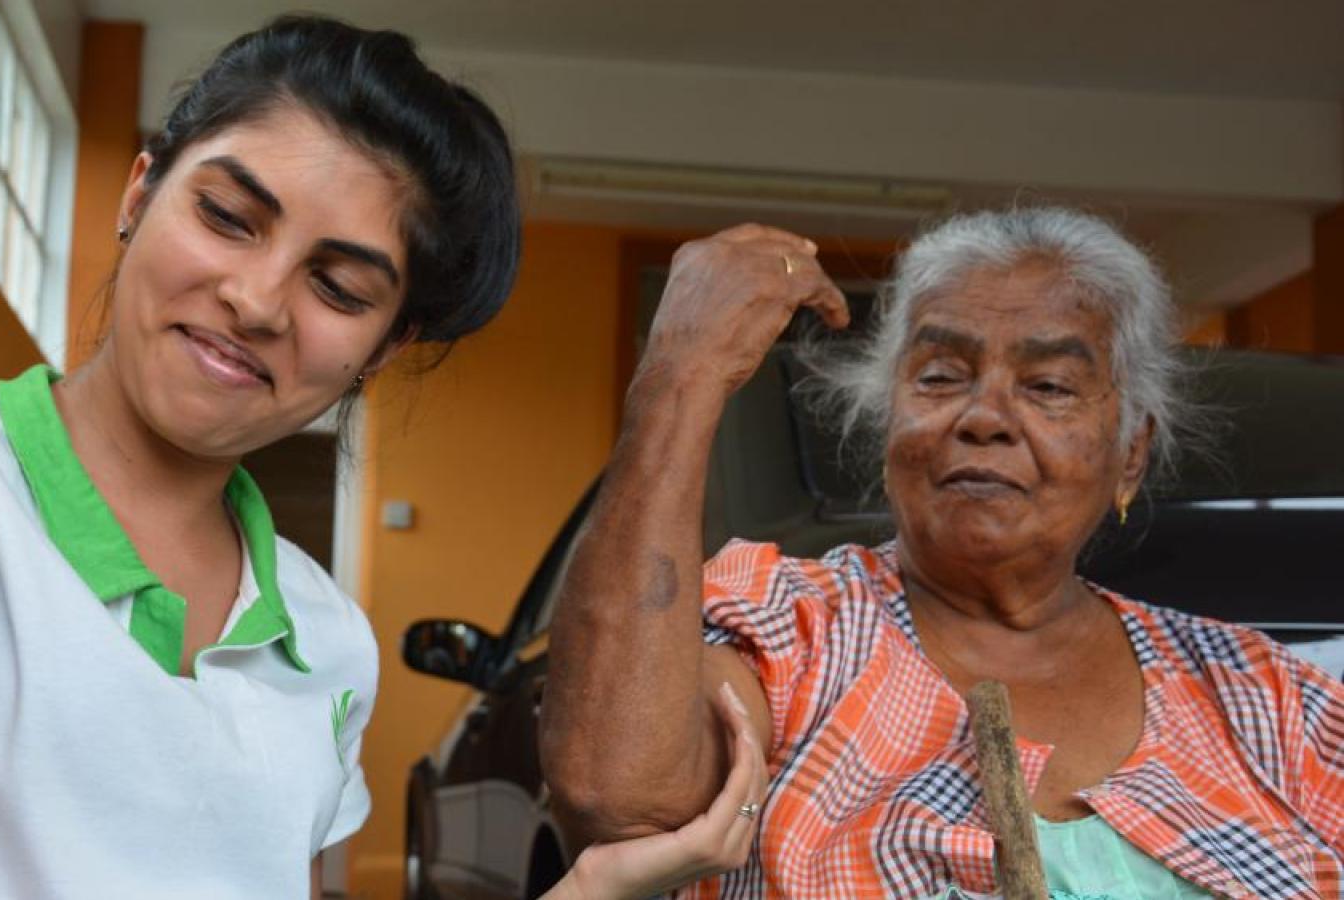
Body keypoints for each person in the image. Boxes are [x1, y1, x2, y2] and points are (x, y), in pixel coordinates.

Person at [0, 3, 525, 896]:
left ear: (383, 349)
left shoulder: (327, 639)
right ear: (138, 196)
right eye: (226, 215)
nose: (257, 301)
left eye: (336, 286)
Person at [540, 208, 1344, 898]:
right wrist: (682, 370)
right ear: (889, 426)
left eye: (1049, 386)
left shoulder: (1265, 702)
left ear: (1130, 454)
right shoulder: (795, 636)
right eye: (940, 376)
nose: (984, 416)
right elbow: (618, 803)